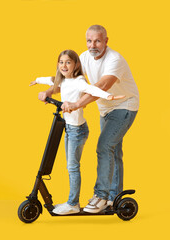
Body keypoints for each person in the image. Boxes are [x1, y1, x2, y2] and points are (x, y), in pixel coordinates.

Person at [31, 49, 125, 215]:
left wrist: (108, 96)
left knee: (72, 167)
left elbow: (92, 90)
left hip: (77, 131)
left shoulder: (79, 80)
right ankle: (72, 201)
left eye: (68, 62)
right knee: (70, 167)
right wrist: (38, 82)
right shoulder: (64, 80)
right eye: (61, 62)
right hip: (68, 128)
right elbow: (52, 81)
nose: (64, 65)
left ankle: (73, 204)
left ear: (76, 65)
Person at [61, 25, 139, 213]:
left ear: (106, 41)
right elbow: (69, 78)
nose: (93, 45)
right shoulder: (84, 57)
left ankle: (101, 196)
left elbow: (102, 86)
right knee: (113, 151)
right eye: (89, 40)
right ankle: (114, 197)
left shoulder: (115, 59)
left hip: (124, 106)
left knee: (104, 147)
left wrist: (77, 104)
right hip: (105, 109)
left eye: (97, 40)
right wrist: (49, 89)